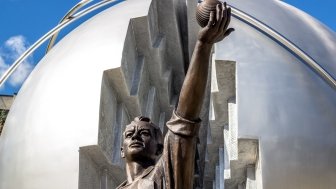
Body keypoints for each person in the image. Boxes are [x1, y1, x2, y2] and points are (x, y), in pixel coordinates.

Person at [117, 2, 234, 188]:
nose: (136, 137)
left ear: (161, 149)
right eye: (130, 133)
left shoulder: (163, 177)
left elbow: (184, 121)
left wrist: (203, 45)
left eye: (145, 133)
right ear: (122, 150)